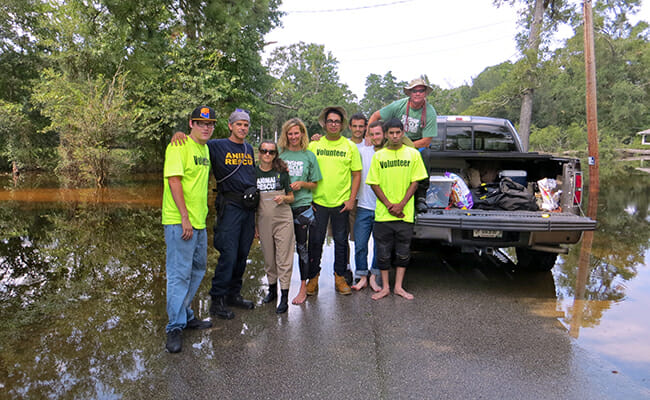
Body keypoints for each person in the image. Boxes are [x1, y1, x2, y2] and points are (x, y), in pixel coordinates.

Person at [171, 109, 257, 320]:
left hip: (248, 207)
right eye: (239, 124)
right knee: (228, 253)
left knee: (242, 253)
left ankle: (233, 294)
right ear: (230, 126)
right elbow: (195, 144)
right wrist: (178, 133)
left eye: (246, 125)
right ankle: (217, 300)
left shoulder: (249, 149)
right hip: (229, 206)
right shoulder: (216, 146)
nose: (243, 128)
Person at [162, 106, 215, 353]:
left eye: (210, 123)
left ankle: (185, 314)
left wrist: (196, 220)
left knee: (198, 269)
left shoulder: (203, 148)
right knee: (178, 274)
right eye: (201, 122)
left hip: (199, 222)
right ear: (191, 124)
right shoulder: (178, 146)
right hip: (179, 221)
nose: (206, 127)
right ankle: (174, 326)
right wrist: (184, 218)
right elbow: (174, 181)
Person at [366, 118, 428, 300]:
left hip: (405, 214)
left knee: (403, 253)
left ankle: (398, 287)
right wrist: (388, 205)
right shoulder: (379, 156)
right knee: (383, 254)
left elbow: (415, 182)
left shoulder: (413, 154)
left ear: (402, 133)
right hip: (384, 215)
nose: (394, 136)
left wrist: (401, 204)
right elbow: (374, 183)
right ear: (386, 134)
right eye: (391, 133)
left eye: (397, 132)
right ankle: (385, 287)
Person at [306, 106, 362, 296]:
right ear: (324, 123)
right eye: (330, 121)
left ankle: (340, 277)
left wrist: (351, 199)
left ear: (342, 124)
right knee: (315, 242)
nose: (333, 124)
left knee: (340, 242)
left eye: (337, 121)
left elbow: (356, 175)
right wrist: (308, 198)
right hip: (318, 203)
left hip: (341, 204)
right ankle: (313, 278)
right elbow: (306, 172)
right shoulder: (314, 146)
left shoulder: (349, 147)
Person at [277, 118, 322, 305]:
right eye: (290, 133)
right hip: (281, 207)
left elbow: (315, 183)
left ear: (302, 134)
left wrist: (302, 183)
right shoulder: (280, 154)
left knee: (302, 248)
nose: (294, 137)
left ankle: (303, 287)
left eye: (297, 133)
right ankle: (279, 289)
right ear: (285, 135)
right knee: (281, 250)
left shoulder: (309, 156)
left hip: (302, 206)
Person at [255, 141, 295, 314]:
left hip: (283, 219)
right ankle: (272, 290)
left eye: (271, 152)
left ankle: (284, 295)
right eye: (264, 151)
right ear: (259, 153)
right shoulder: (253, 173)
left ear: (275, 155)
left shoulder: (281, 173)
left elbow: (291, 197)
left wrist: (284, 199)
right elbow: (251, 202)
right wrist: (254, 225)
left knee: (283, 258)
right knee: (269, 258)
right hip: (263, 220)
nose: (267, 155)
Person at [350, 120, 385, 292]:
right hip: (363, 205)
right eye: (372, 134)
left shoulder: (391, 153)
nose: (375, 137)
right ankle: (362, 275)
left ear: (384, 134)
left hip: (383, 208)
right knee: (361, 244)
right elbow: (343, 149)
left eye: (378, 133)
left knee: (380, 245)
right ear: (368, 136)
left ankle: (374, 276)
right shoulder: (361, 151)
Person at [367, 77, 438, 149]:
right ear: (410, 93)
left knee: (426, 153)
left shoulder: (430, 112)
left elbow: (426, 141)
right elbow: (375, 116)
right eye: (414, 91)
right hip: (393, 139)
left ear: (425, 93)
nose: (418, 93)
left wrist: (404, 147)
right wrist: (368, 135)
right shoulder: (398, 105)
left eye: (421, 91)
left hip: (416, 143)